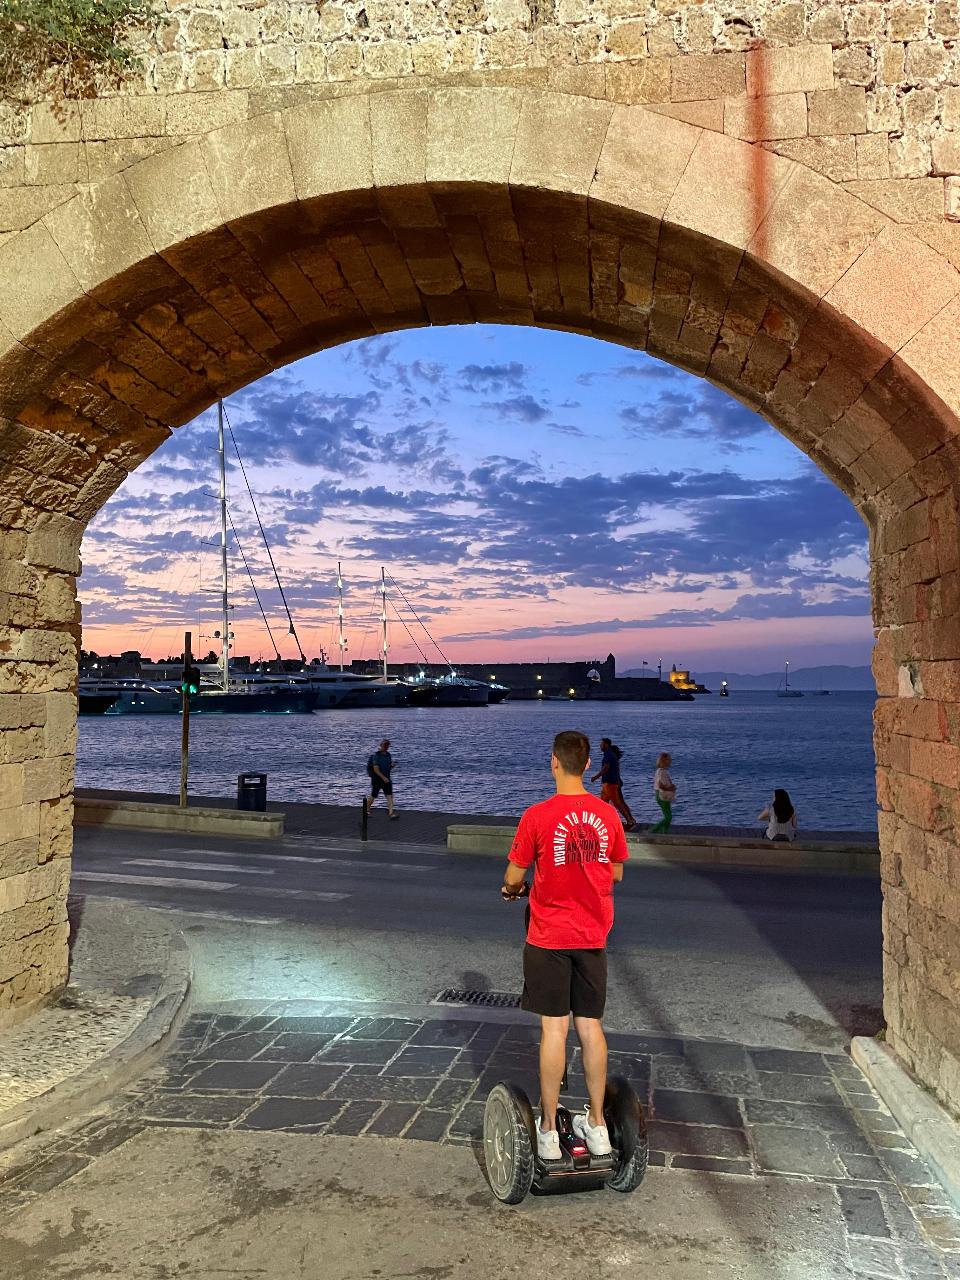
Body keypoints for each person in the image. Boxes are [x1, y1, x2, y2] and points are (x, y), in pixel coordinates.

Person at [501, 730, 629, 1161]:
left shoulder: (536, 816)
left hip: (548, 937)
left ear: (553, 762)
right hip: (592, 936)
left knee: (553, 1028)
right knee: (589, 1027)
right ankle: (596, 1125)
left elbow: (515, 876)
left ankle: (550, 1130)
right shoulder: (607, 815)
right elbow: (615, 874)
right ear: (588, 765)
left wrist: (511, 889)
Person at [591, 737, 636, 831]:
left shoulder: (608, 754)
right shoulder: (611, 755)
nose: (600, 746)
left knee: (617, 803)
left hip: (610, 783)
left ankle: (630, 821)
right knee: (603, 804)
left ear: (606, 745)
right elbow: (616, 769)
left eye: (601, 744)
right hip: (609, 783)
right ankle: (604, 823)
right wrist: (619, 780)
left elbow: (606, 768)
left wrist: (596, 776)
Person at [365, 739, 399, 819]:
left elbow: (388, 768)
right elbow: (376, 769)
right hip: (377, 779)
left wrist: (392, 766)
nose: (386, 747)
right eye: (385, 745)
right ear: (381, 745)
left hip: (387, 778)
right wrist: (383, 778)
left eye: (387, 745)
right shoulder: (376, 756)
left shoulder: (388, 755)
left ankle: (391, 813)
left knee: (389, 796)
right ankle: (366, 809)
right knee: (373, 795)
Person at [651, 752, 676, 833]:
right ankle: (654, 830)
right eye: (669, 759)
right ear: (664, 761)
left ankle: (665, 832)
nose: (671, 761)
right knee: (668, 817)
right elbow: (660, 785)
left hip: (660, 795)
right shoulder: (662, 772)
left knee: (667, 815)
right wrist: (670, 788)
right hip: (662, 795)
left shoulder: (661, 771)